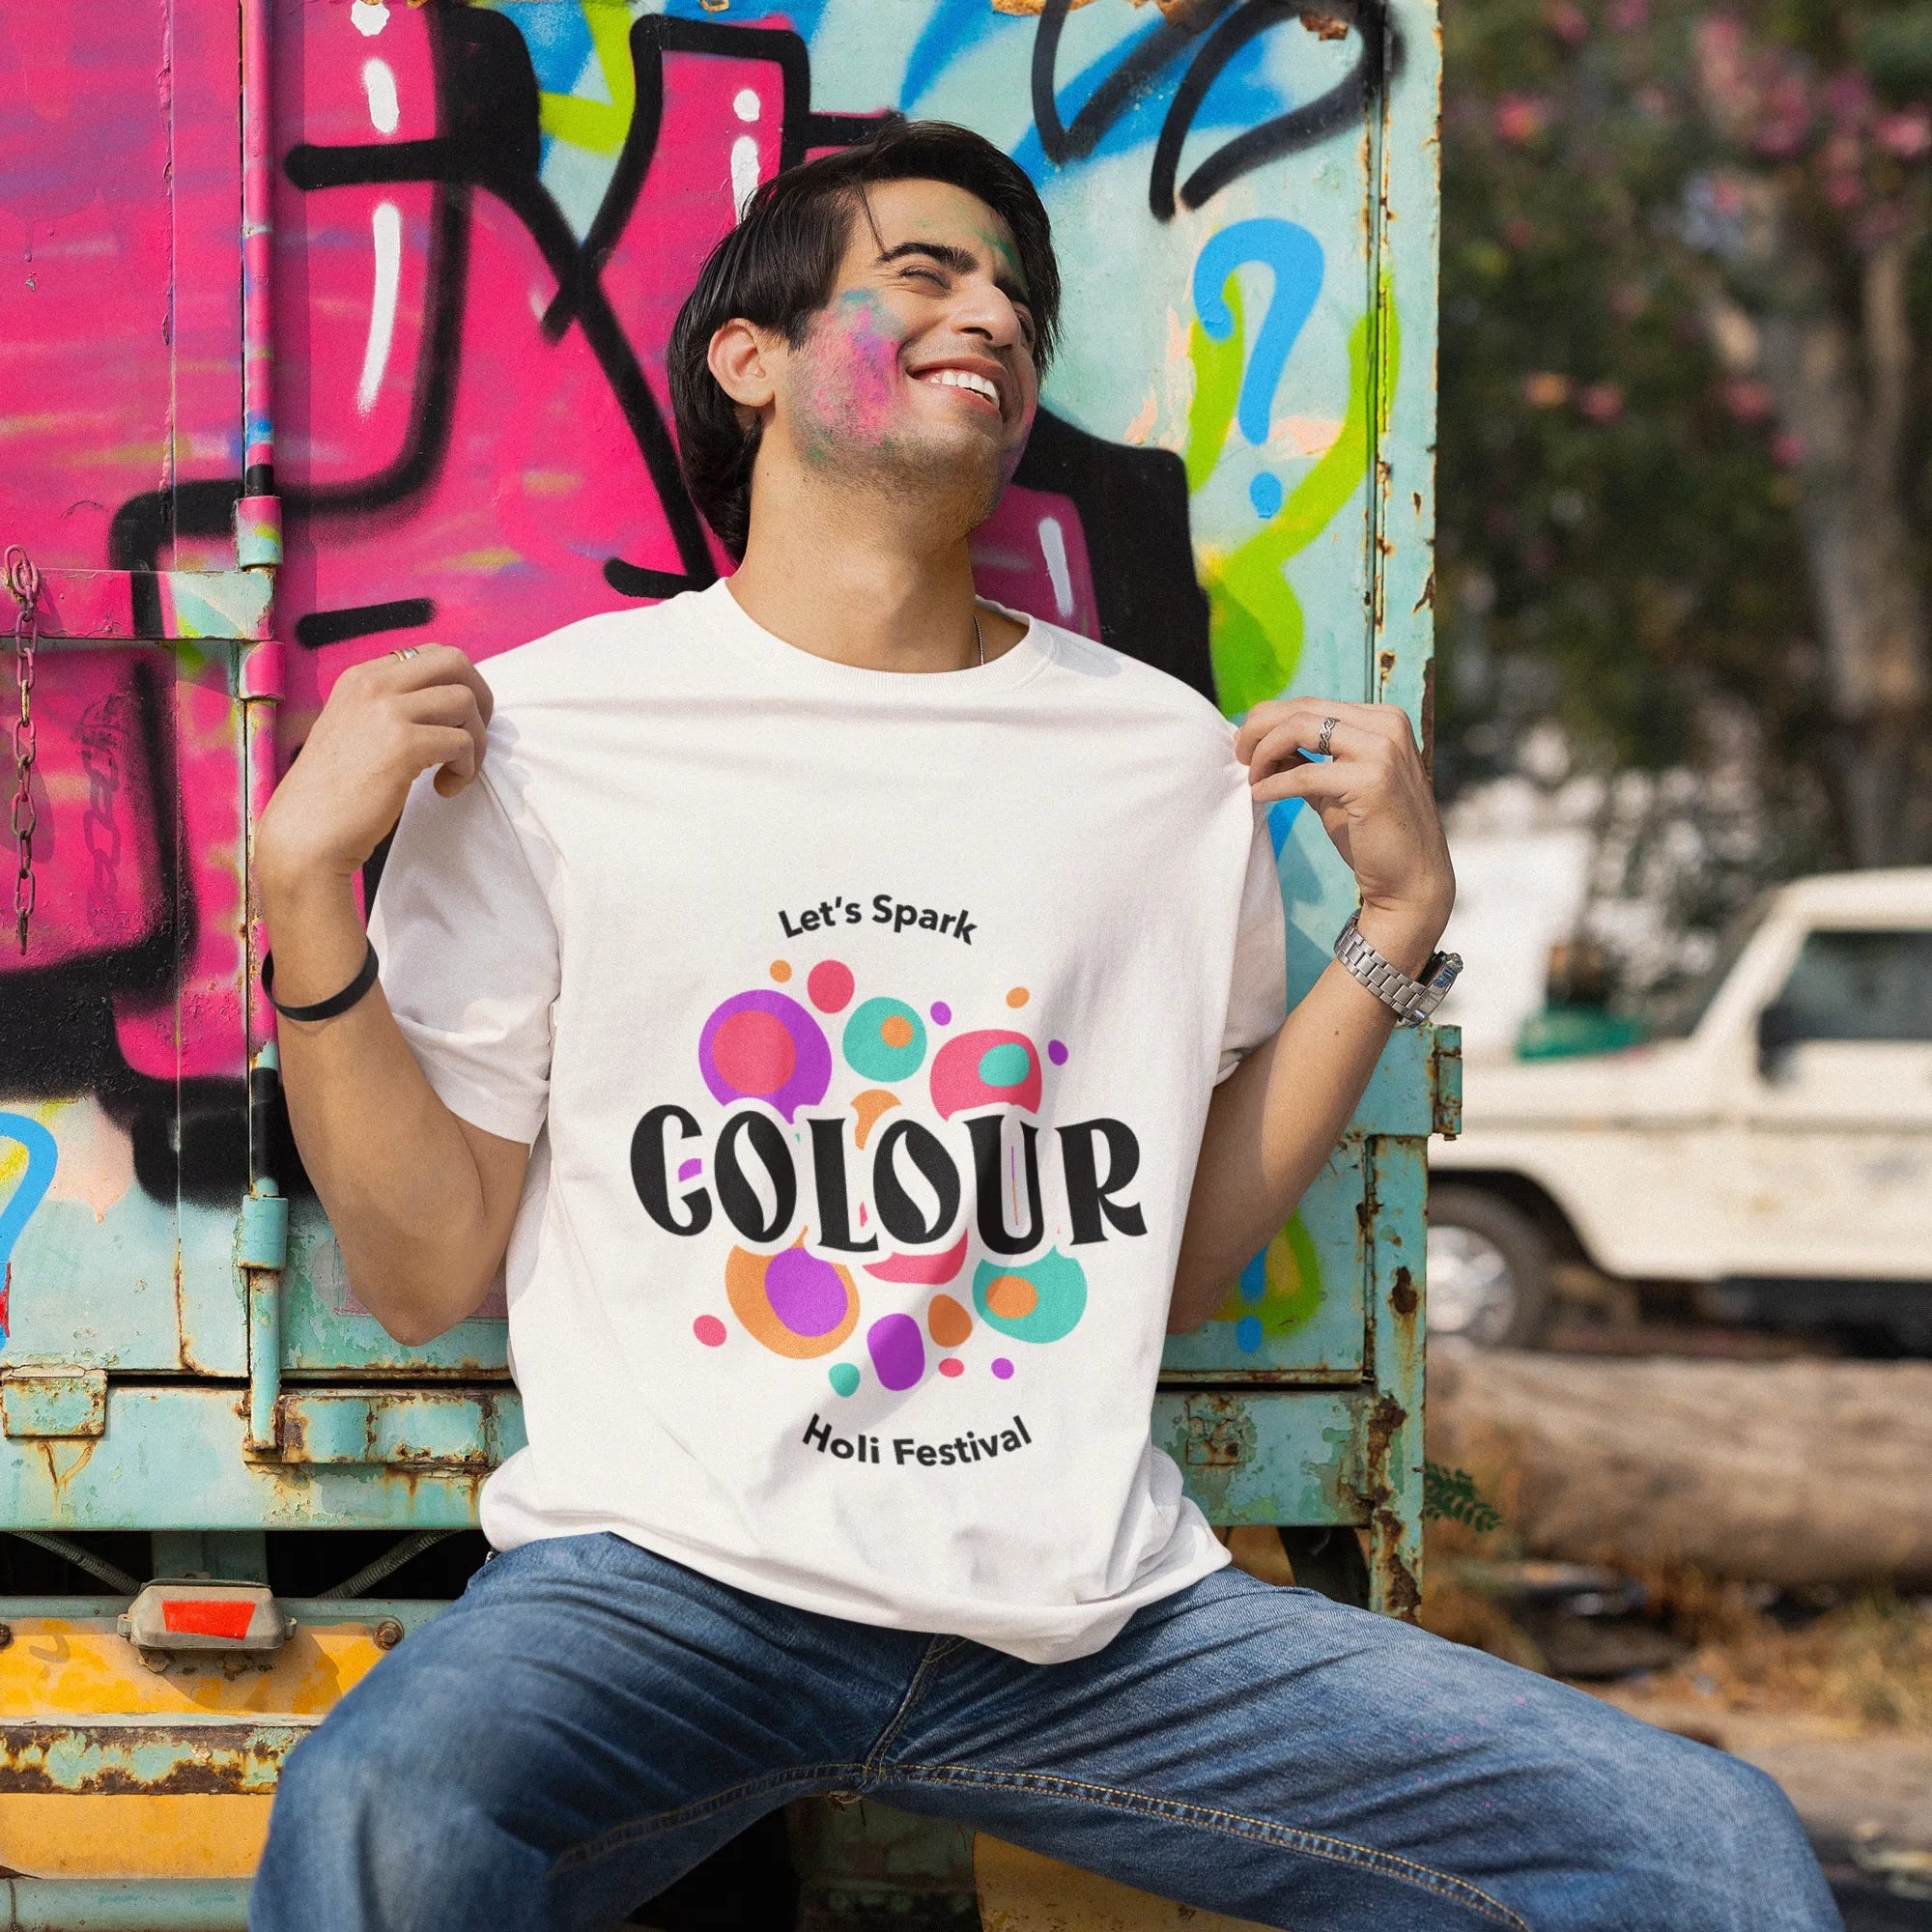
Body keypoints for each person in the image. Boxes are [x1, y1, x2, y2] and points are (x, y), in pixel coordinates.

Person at [248, 121, 1837, 1932]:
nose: (992, 311)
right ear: (747, 360)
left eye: (1016, 293)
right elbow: (423, 1266)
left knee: (1707, 1850)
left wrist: (1397, 929)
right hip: (662, 1591)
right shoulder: (549, 738)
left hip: (1093, 1621)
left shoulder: (1155, 759)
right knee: (382, 1810)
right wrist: (306, 887)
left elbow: (1177, 1249)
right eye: (924, 274)